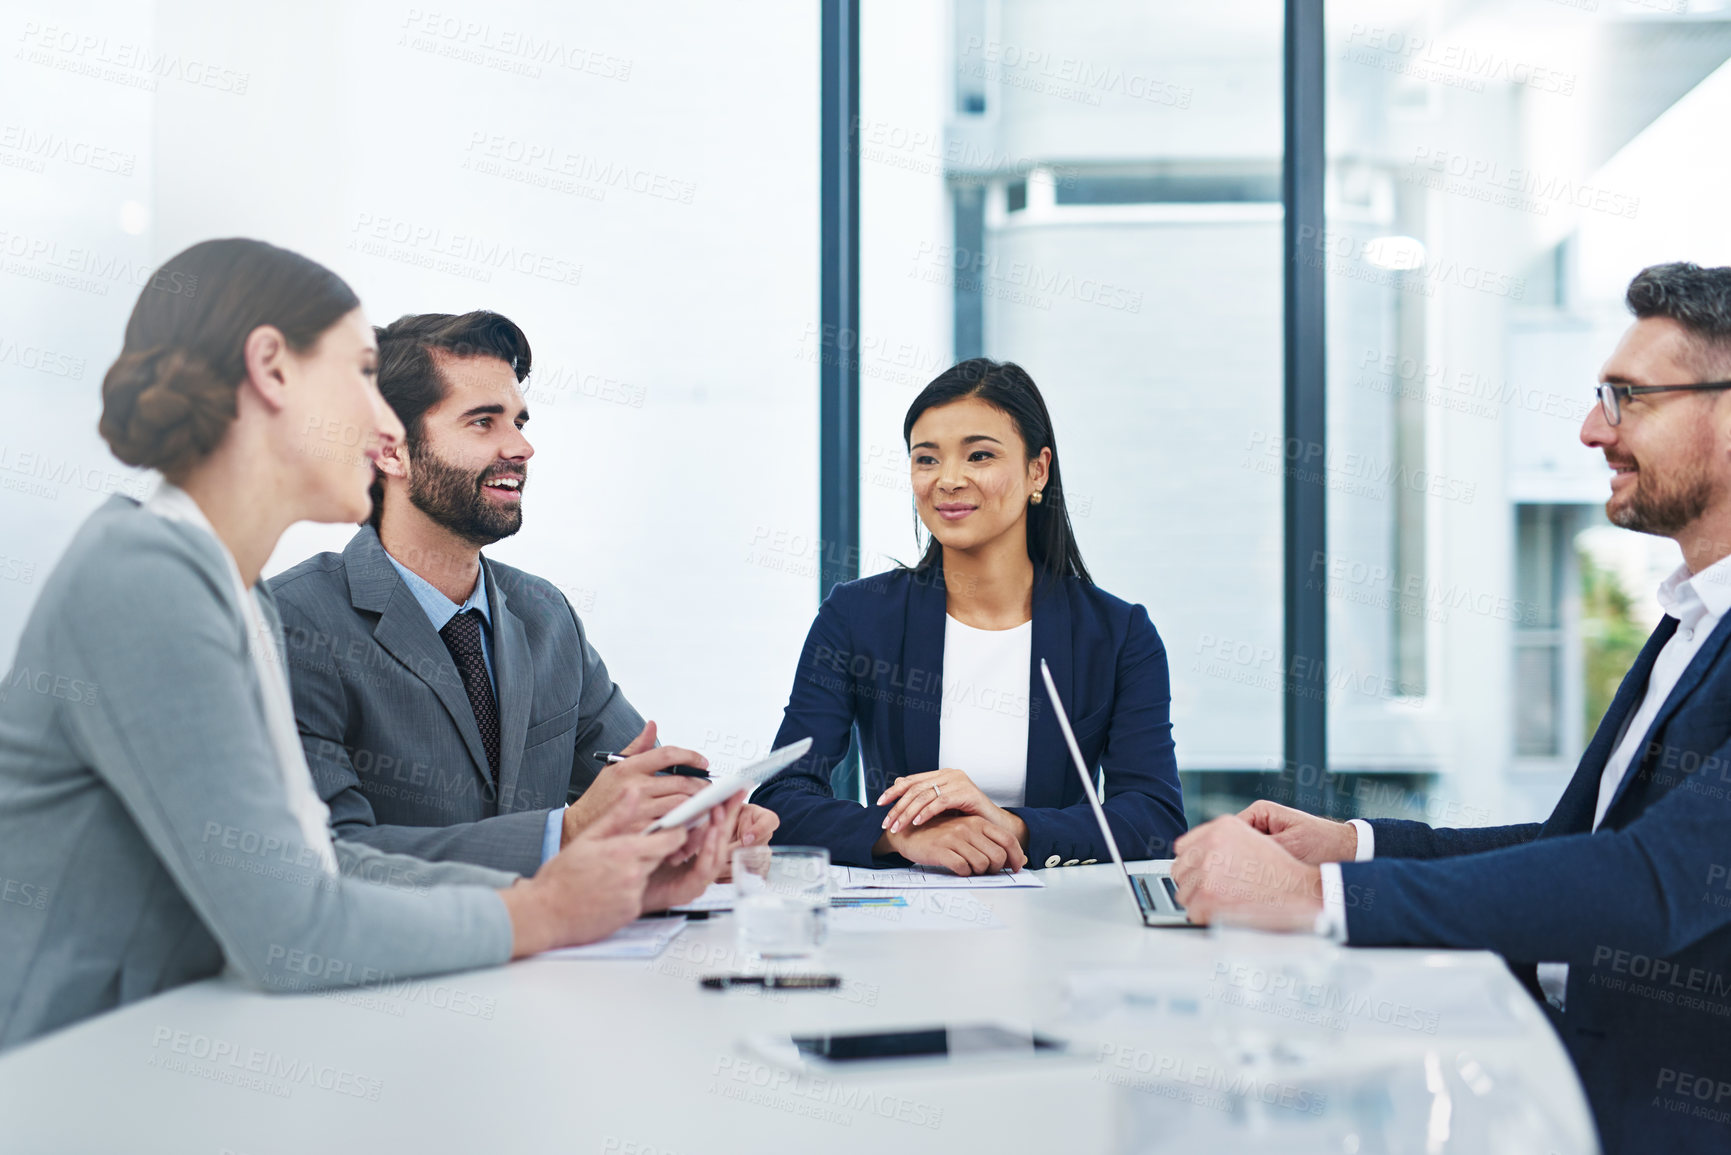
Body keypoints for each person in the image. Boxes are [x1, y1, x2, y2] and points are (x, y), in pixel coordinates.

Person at [0, 239, 738, 1052]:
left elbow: (321, 869)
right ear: (272, 369)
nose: (383, 423)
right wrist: (544, 907)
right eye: (358, 374)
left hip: (183, 1052)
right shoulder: (146, 578)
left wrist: (601, 887)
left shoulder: (226, 589)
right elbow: (294, 924)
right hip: (77, 1074)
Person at [1170, 262, 1731, 1155]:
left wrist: (1317, 896)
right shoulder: (1690, 621)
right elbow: (1576, 844)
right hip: (1553, 1064)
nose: (1593, 430)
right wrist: (1352, 845)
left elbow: (1654, 885)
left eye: (1627, 398)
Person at [268, 311, 776, 877]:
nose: (522, 446)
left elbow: (634, 782)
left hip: (554, 956)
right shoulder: (295, 623)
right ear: (390, 450)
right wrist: (568, 833)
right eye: (484, 423)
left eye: (519, 421)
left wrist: (704, 821)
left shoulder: (544, 614)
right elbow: (333, 860)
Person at [754, 359, 1187, 874]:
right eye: (927, 459)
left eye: (979, 455)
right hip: (906, 921)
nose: (949, 480)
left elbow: (1155, 819)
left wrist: (1011, 827)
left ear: (1037, 471)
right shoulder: (858, 616)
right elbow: (781, 798)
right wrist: (901, 836)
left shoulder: (1117, 634)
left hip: (1060, 920)